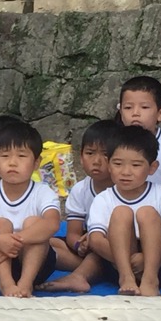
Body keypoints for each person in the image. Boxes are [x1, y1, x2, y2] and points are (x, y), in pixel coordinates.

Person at [85, 125, 161, 296]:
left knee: (147, 212)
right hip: (118, 265)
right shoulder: (104, 198)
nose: (126, 172)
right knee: (121, 213)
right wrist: (125, 261)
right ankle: (126, 278)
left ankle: (150, 279)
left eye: (136, 165)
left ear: (152, 167)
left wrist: (147, 259)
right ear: (109, 165)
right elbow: (96, 239)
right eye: (118, 164)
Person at [0, 120, 60, 298]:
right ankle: (6, 284)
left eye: (21, 156)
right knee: (1, 223)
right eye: (5, 156)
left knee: (34, 223)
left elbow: (52, 223)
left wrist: (15, 240)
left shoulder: (43, 192)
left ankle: (26, 284)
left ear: (36, 162)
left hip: (34, 265)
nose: (13, 163)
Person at [38, 120, 119, 293]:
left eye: (105, 154)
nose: (96, 161)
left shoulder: (125, 188)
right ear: (81, 157)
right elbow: (73, 232)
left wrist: (96, 238)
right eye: (90, 153)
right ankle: (92, 268)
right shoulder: (80, 189)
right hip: (87, 244)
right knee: (49, 242)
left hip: (116, 244)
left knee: (100, 247)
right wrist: (78, 246)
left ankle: (80, 276)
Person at [115, 76, 161, 208]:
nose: (135, 113)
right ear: (120, 112)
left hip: (160, 212)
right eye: (128, 107)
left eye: (144, 107)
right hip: (120, 211)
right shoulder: (113, 139)